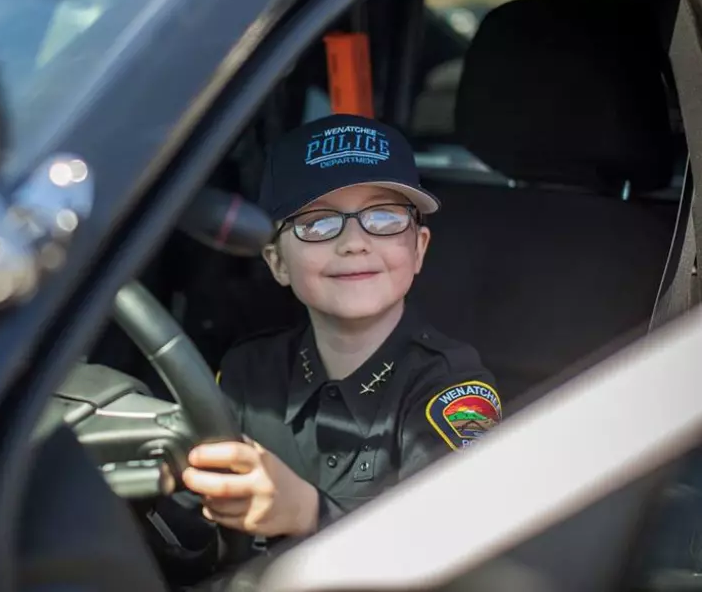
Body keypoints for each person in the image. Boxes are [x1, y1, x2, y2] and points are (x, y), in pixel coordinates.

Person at [180, 113, 501, 539]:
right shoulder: (246, 373)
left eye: (385, 218)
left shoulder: (451, 390)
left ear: (419, 249)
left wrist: (309, 514)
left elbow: (458, 545)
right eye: (317, 223)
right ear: (277, 262)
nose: (354, 242)